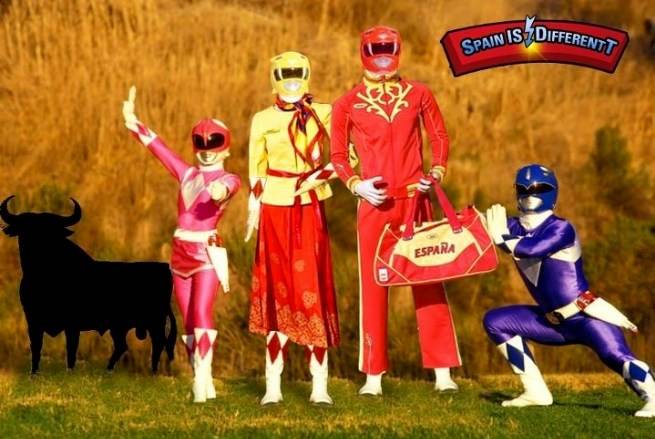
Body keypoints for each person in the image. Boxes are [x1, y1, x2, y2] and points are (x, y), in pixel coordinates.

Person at [330, 25, 461, 396]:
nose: (383, 56)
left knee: (429, 280)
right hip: (374, 204)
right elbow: (337, 155)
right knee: (373, 286)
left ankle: (443, 372)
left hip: (415, 199)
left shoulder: (419, 93)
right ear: (364, 51)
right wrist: (355, 184)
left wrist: (437, 171)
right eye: (377, 49)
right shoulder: (346, 103)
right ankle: (373, 375)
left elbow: (439, 136)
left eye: (389, 48)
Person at [484, 164, 655, 417]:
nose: (530, 194)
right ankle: (535, 391)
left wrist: (500, 238)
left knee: (616, 356)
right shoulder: (512, 226)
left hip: (585, 316)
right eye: (524, 188)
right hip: (551, 322)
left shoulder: (561, 228)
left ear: (552, 191)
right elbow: (475, 229)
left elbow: (531, 249)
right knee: (496, 322)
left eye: (539, 188)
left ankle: (653, 395)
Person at [122, 87, 241, 403]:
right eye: (200, 142)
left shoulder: (229, 178)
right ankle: (201, 375)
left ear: (226, 148)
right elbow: (158, 148)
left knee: (202, 311)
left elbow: (228, 187)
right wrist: (132, 120)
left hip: (206, 252)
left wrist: (219, 191)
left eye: (214, 142)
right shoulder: (187, 174)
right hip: (179, 254)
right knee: (188, 319)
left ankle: (201, 379)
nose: (207, 149)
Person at [246, 51, 340, 405]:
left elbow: (349, 155)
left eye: (297, 72)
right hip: (274, 207)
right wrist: (253, 207)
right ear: (274, 77)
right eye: (284, 73)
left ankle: (320, 385)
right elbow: (256, 168)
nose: (291, 80)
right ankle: (273, 385)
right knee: (277, 289)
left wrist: (320, 175)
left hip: (310, 205)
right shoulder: (262, 119)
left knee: (311, 285)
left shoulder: (324, 113)